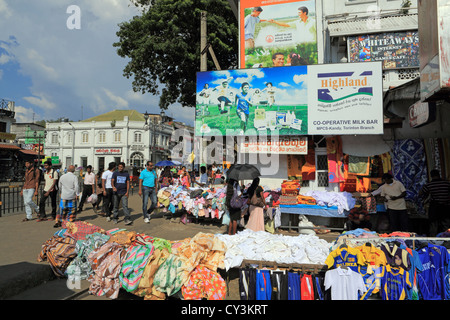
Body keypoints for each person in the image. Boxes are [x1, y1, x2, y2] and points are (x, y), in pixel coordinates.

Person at [419, 169, 450, 236]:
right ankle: (447, 238)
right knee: (446, 224)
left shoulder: (429, 185)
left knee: (433, 225)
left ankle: (433, 239)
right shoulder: (446, 183)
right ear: (439, 175)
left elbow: (421, 193)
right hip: (446, 206)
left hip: (435, 207)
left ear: (431, 176)